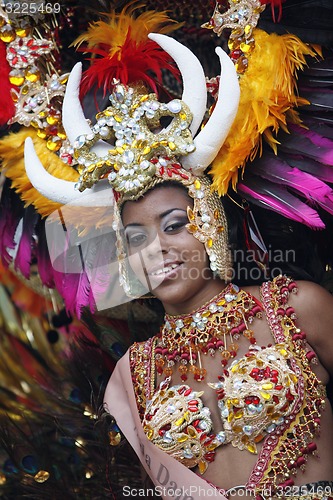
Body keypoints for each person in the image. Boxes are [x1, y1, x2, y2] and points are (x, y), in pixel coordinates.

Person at [23, 25, 333, 499]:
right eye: (135, 237)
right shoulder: (133, 373)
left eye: (173, 225)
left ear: (207, 223)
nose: (157, 250)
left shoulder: (297, 307)